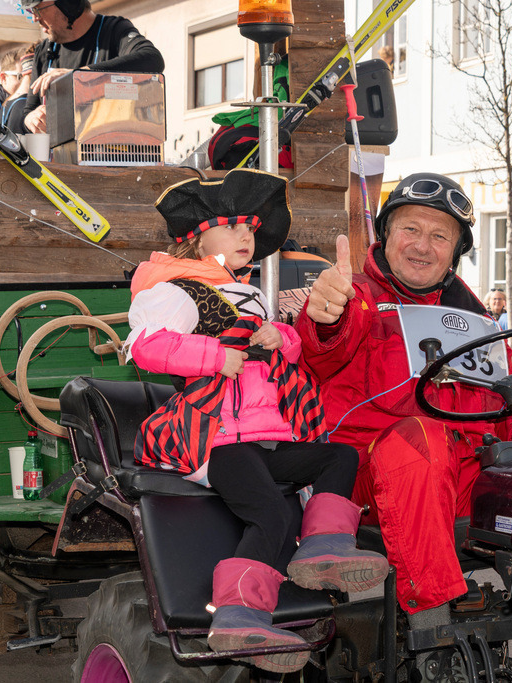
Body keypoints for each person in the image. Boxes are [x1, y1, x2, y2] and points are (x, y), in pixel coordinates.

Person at [295, 172, 512, 648]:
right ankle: (434, 634)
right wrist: (324, 312)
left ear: (454, 252)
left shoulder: (480, 326)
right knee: (420, 440)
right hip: (370, 482)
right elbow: (322, 344)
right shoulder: (358, 299)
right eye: (410, 229)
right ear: (385, 235)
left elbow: (501, 424)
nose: (422, 246)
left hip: (460, 477)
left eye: (439, 235)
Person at [126, 170, 388, 673]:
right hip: (218, 441)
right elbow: (145, 346)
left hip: (269, 435)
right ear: (197, 236)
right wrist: (213, 356)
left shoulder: (248, 293)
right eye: (233, 226)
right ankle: (238, 612)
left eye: (251, 227)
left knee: (340, 456)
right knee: (270, 513)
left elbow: (290, 352)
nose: (247, 236)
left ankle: (322, 550)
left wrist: (279, 338)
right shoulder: (177, 290)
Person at [18, 0, 164, 134]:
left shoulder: (114, 31)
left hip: (111, 151)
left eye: (38, 10)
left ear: (67, 4)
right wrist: (31, 118)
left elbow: (152, 59)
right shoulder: (44, 50)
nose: (35, 18)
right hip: (59, 160)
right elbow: (28, 111)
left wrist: (79, 75)